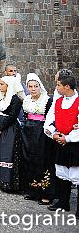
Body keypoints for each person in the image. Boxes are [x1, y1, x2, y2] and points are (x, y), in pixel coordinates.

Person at [44, 73, 79, 214]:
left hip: (75, 144)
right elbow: (50, 121)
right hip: (59, 142)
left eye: (58, 85)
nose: (56, 87)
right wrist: (54, 134)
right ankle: (63, 202)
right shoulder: (57, 102)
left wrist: (68, 138)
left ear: (67, 86)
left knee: (76, 174)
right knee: (62, 172)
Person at [0, 75, 24, 192]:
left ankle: (6, 181)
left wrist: (1, 126)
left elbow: (12, 116)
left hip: (9, 128)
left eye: (2, 84)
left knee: (6, 153)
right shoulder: (2, 97)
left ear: (9, 85)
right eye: (0, 84)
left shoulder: (15, 99)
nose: (0, 86)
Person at [21, 73, 54, 205]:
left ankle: (45, 193)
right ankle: (33, 190)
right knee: (29, 159)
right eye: (30, 86)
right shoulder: (26, 99)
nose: (33, 89)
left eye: (36, 86)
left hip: (41, 132)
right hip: (28, 131)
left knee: (42, 160)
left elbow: (49, 117)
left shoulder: (47, 100)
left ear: (40, 86)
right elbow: (25, 115)